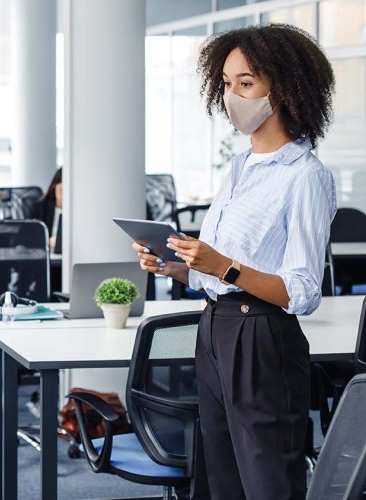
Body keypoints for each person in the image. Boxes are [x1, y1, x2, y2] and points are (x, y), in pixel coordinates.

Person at [133, 24, 336, 499]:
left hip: (261, 336)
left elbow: (301, 293)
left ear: (285, 87)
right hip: (214, 328)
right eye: (226, 83)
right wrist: (177, 266)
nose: (231, 96)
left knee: (266, 480)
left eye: (246, 83)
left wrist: (222, 265)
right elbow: (222, 271)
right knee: (219, 477)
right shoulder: (240, 168)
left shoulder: (305, 176)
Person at [32, 167, 63, 252]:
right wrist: (47, 242)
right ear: (54, 187)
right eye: (62, 190)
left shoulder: (78, 211)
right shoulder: (41, 208)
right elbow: (29, 239)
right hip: (47, 256)